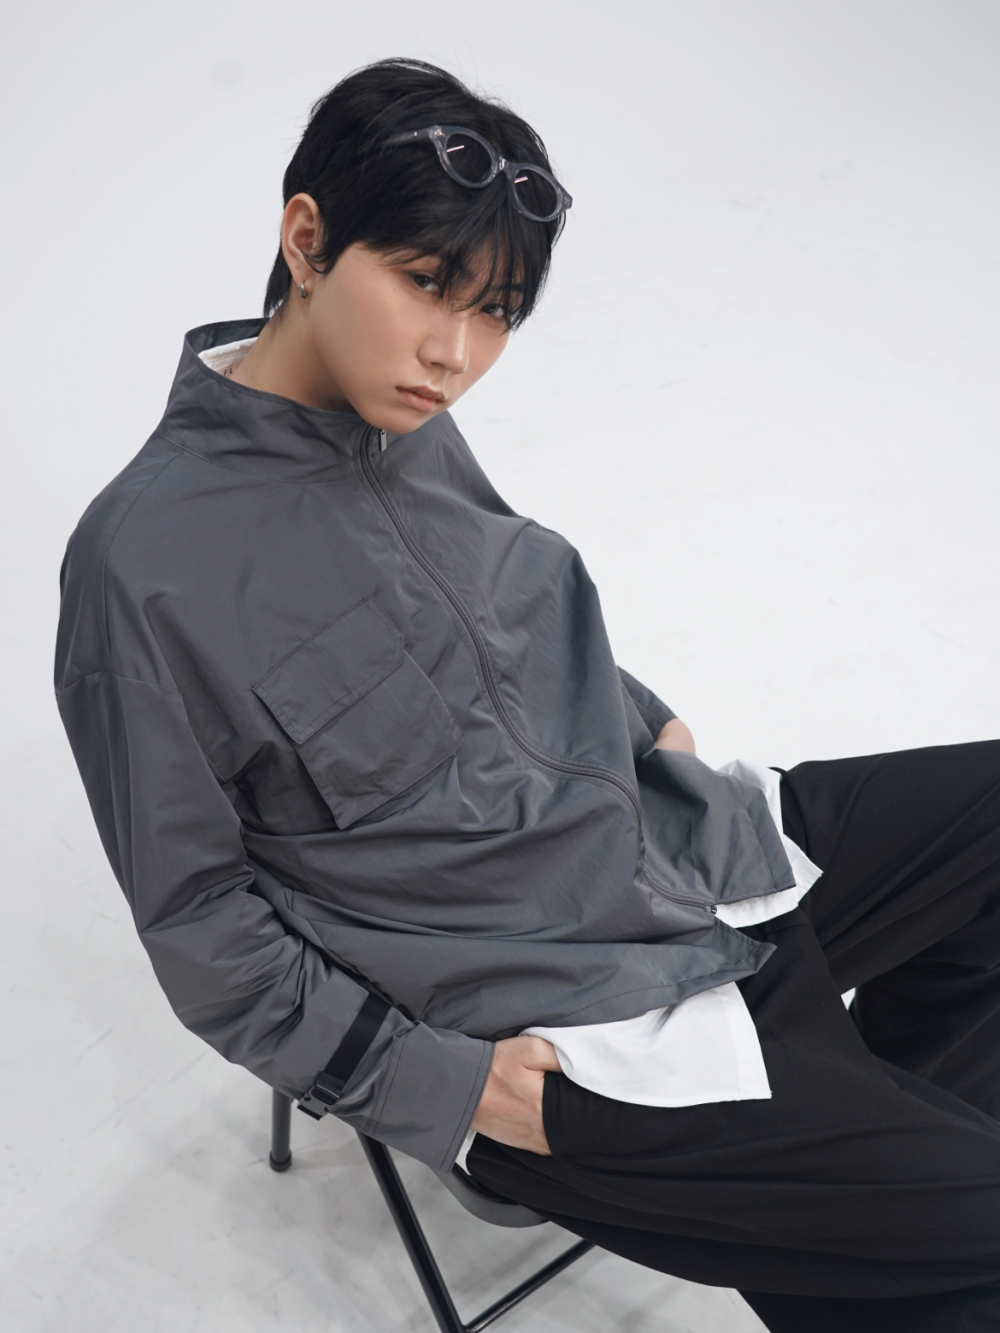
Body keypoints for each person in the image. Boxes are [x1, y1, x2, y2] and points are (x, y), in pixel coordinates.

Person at [54, 58, 1000, 1332]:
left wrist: (640, 713)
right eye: (425, 282)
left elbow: (488, 606)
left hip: (681, 853)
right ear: (307, 239)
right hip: (567, 1022)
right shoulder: (143, 568)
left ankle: (887, 1168)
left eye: (495, 311)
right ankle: (899, 1200)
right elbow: (204, 930)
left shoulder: (403, 414)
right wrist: (448, 1087)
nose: (455, 352)